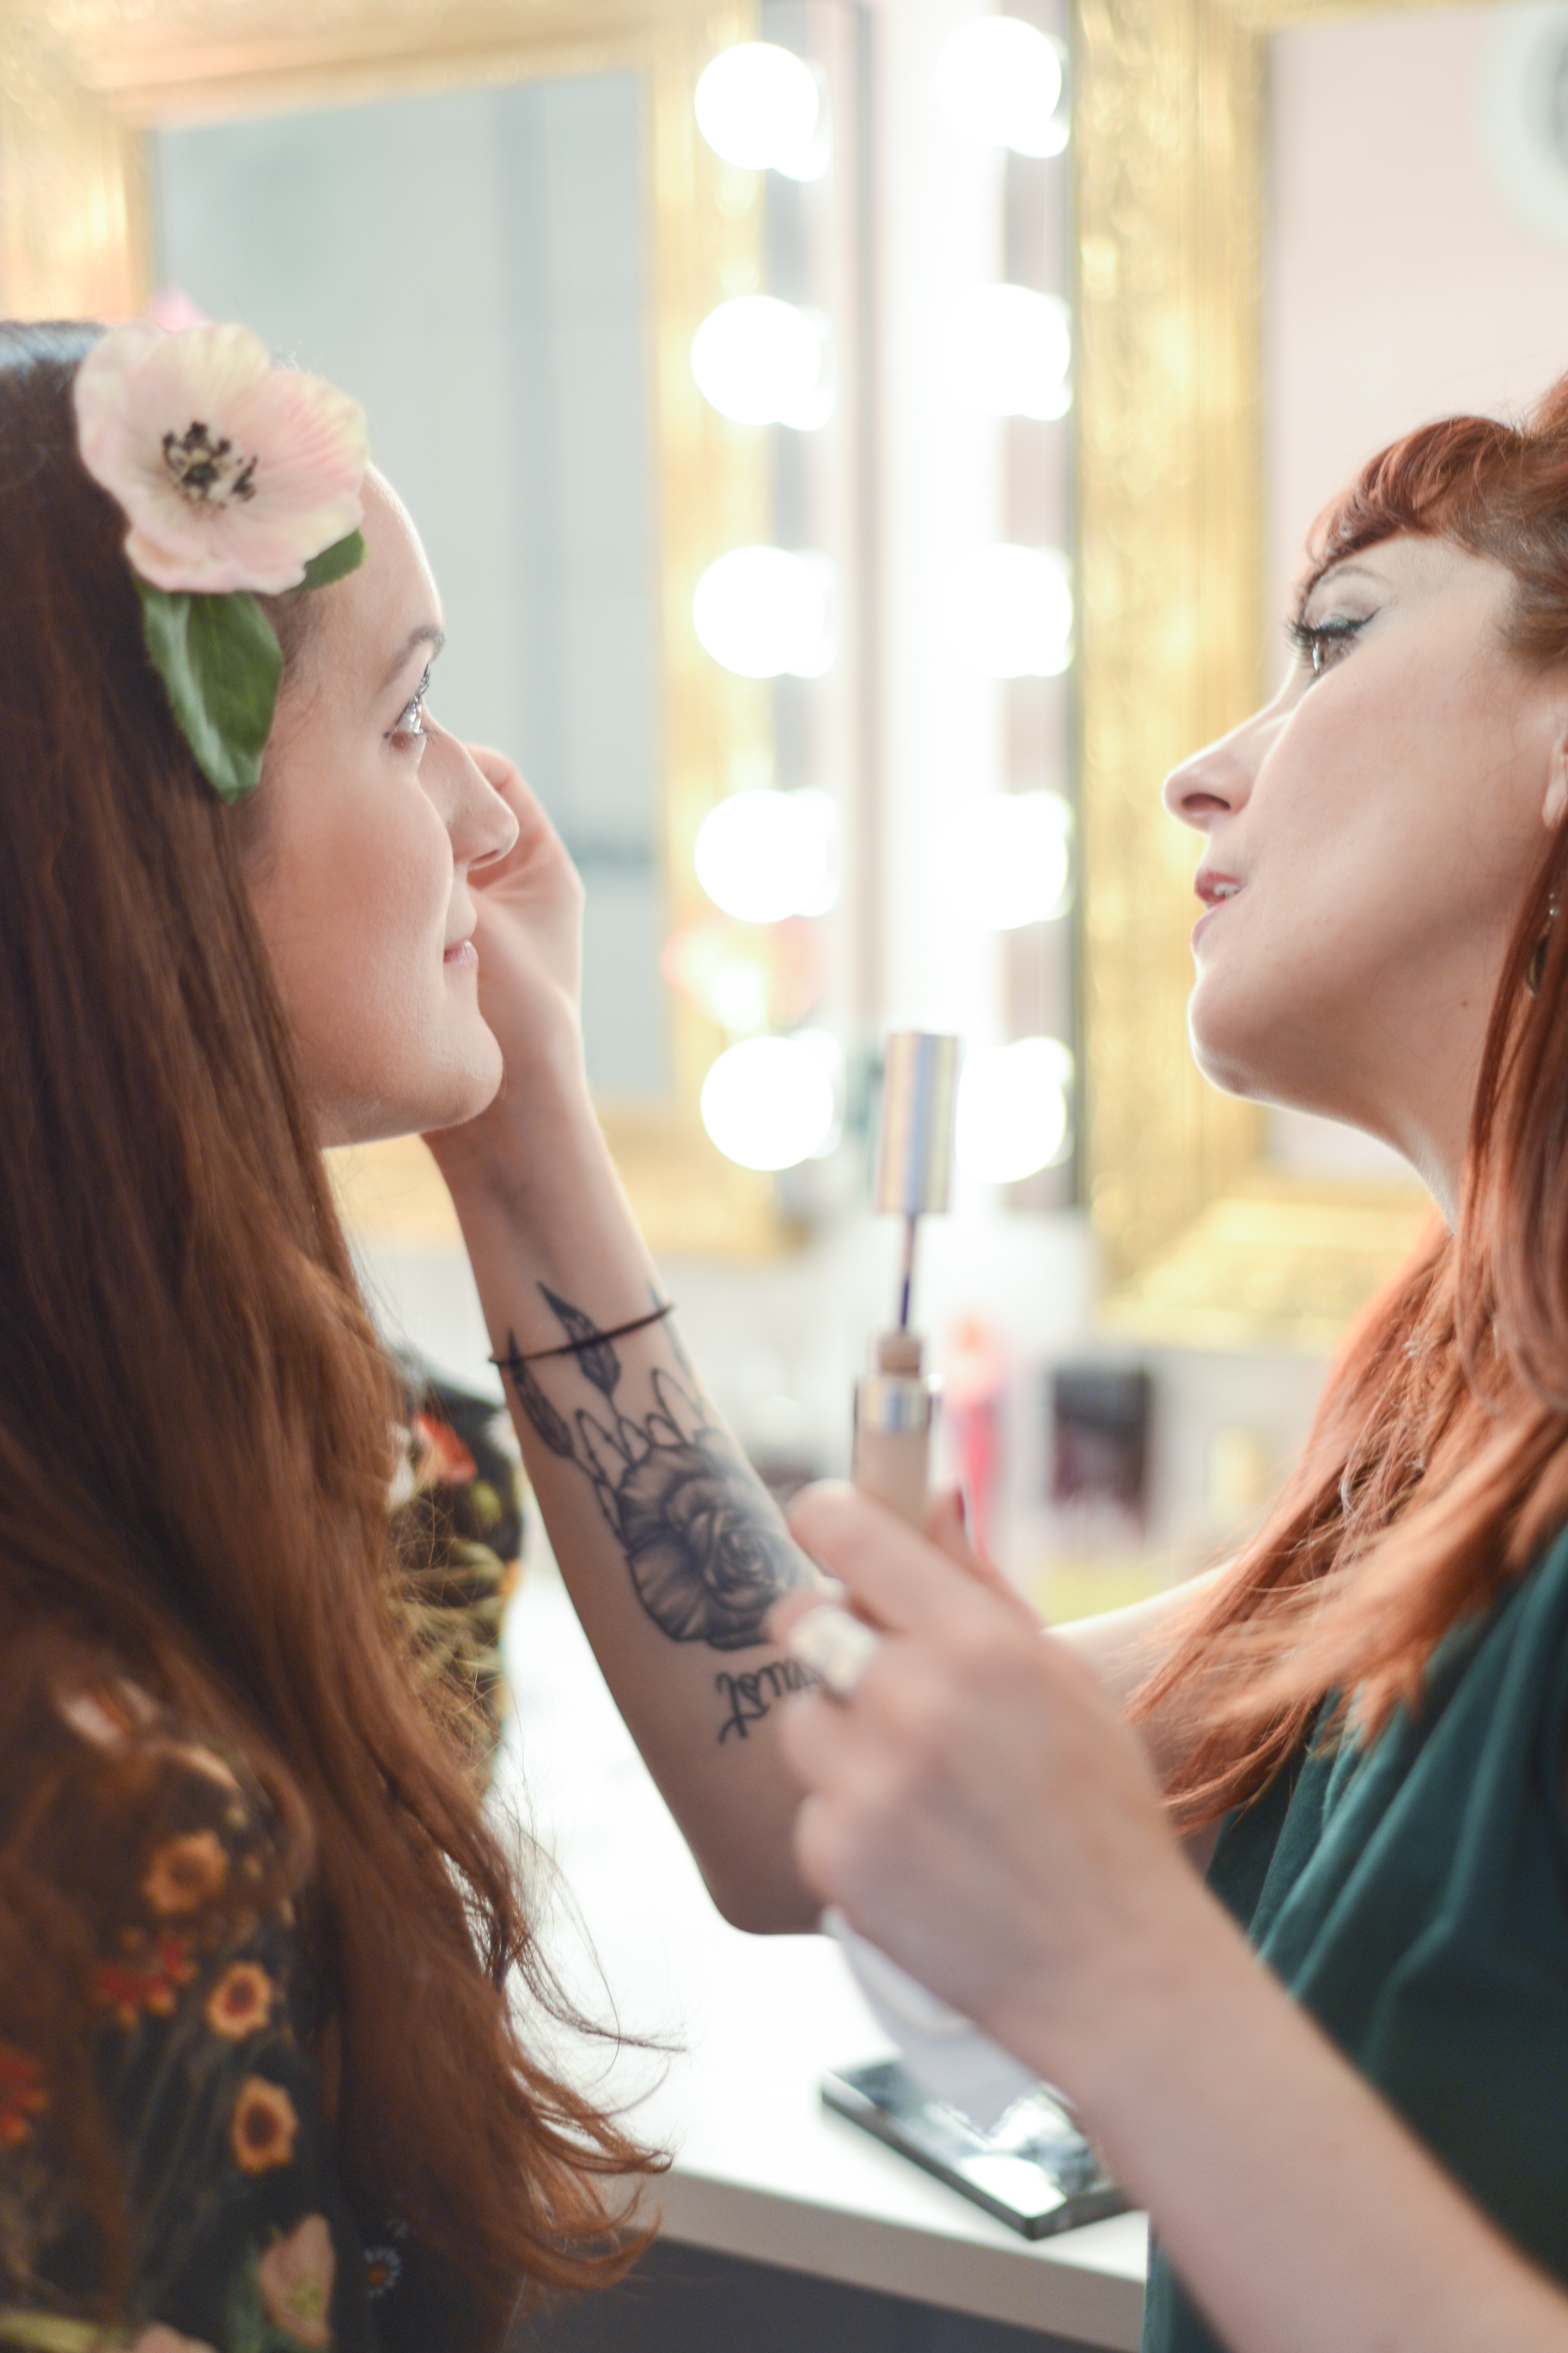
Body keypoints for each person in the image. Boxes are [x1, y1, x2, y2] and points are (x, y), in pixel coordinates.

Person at [0, 317, 827, 2351]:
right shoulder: (105, 1805)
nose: (485, 816)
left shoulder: (388, 1490)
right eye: (407, 718)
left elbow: (790, 1800)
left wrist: (522, 1111)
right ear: (151, 848)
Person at [772, 379, 1568, 2353]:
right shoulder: (1450, 1466)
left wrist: (1117, 1969)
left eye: (1335, 639)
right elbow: (768, 1798)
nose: (1196, 774)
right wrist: (523, 1122)